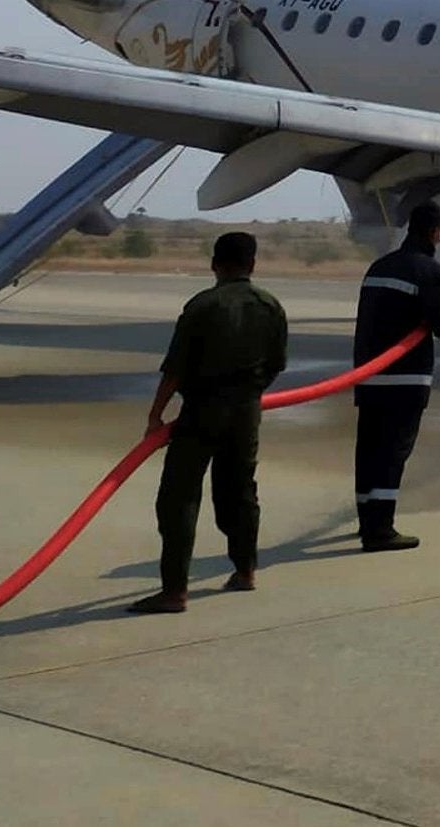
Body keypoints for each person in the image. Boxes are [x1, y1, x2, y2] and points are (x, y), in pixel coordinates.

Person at [129, 231, 288, 615]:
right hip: (247, 412)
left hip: (202, 411)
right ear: (252, 264)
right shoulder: (270, 305)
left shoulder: (203, 306)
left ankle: (174, 592)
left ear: (214, 264)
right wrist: (249, 394)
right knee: (240, 491)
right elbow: (277, 364)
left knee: (179, 498)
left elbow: (174, 370)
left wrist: (155, 417)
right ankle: (246, 570)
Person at [353, 200, 440, 551]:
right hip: (405, 380)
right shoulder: (428, 271)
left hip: (369, 376)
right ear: (436, 232)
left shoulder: (379, 267)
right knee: (393, 453)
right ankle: (380, 530)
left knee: (368, 451)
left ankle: (366, 520)